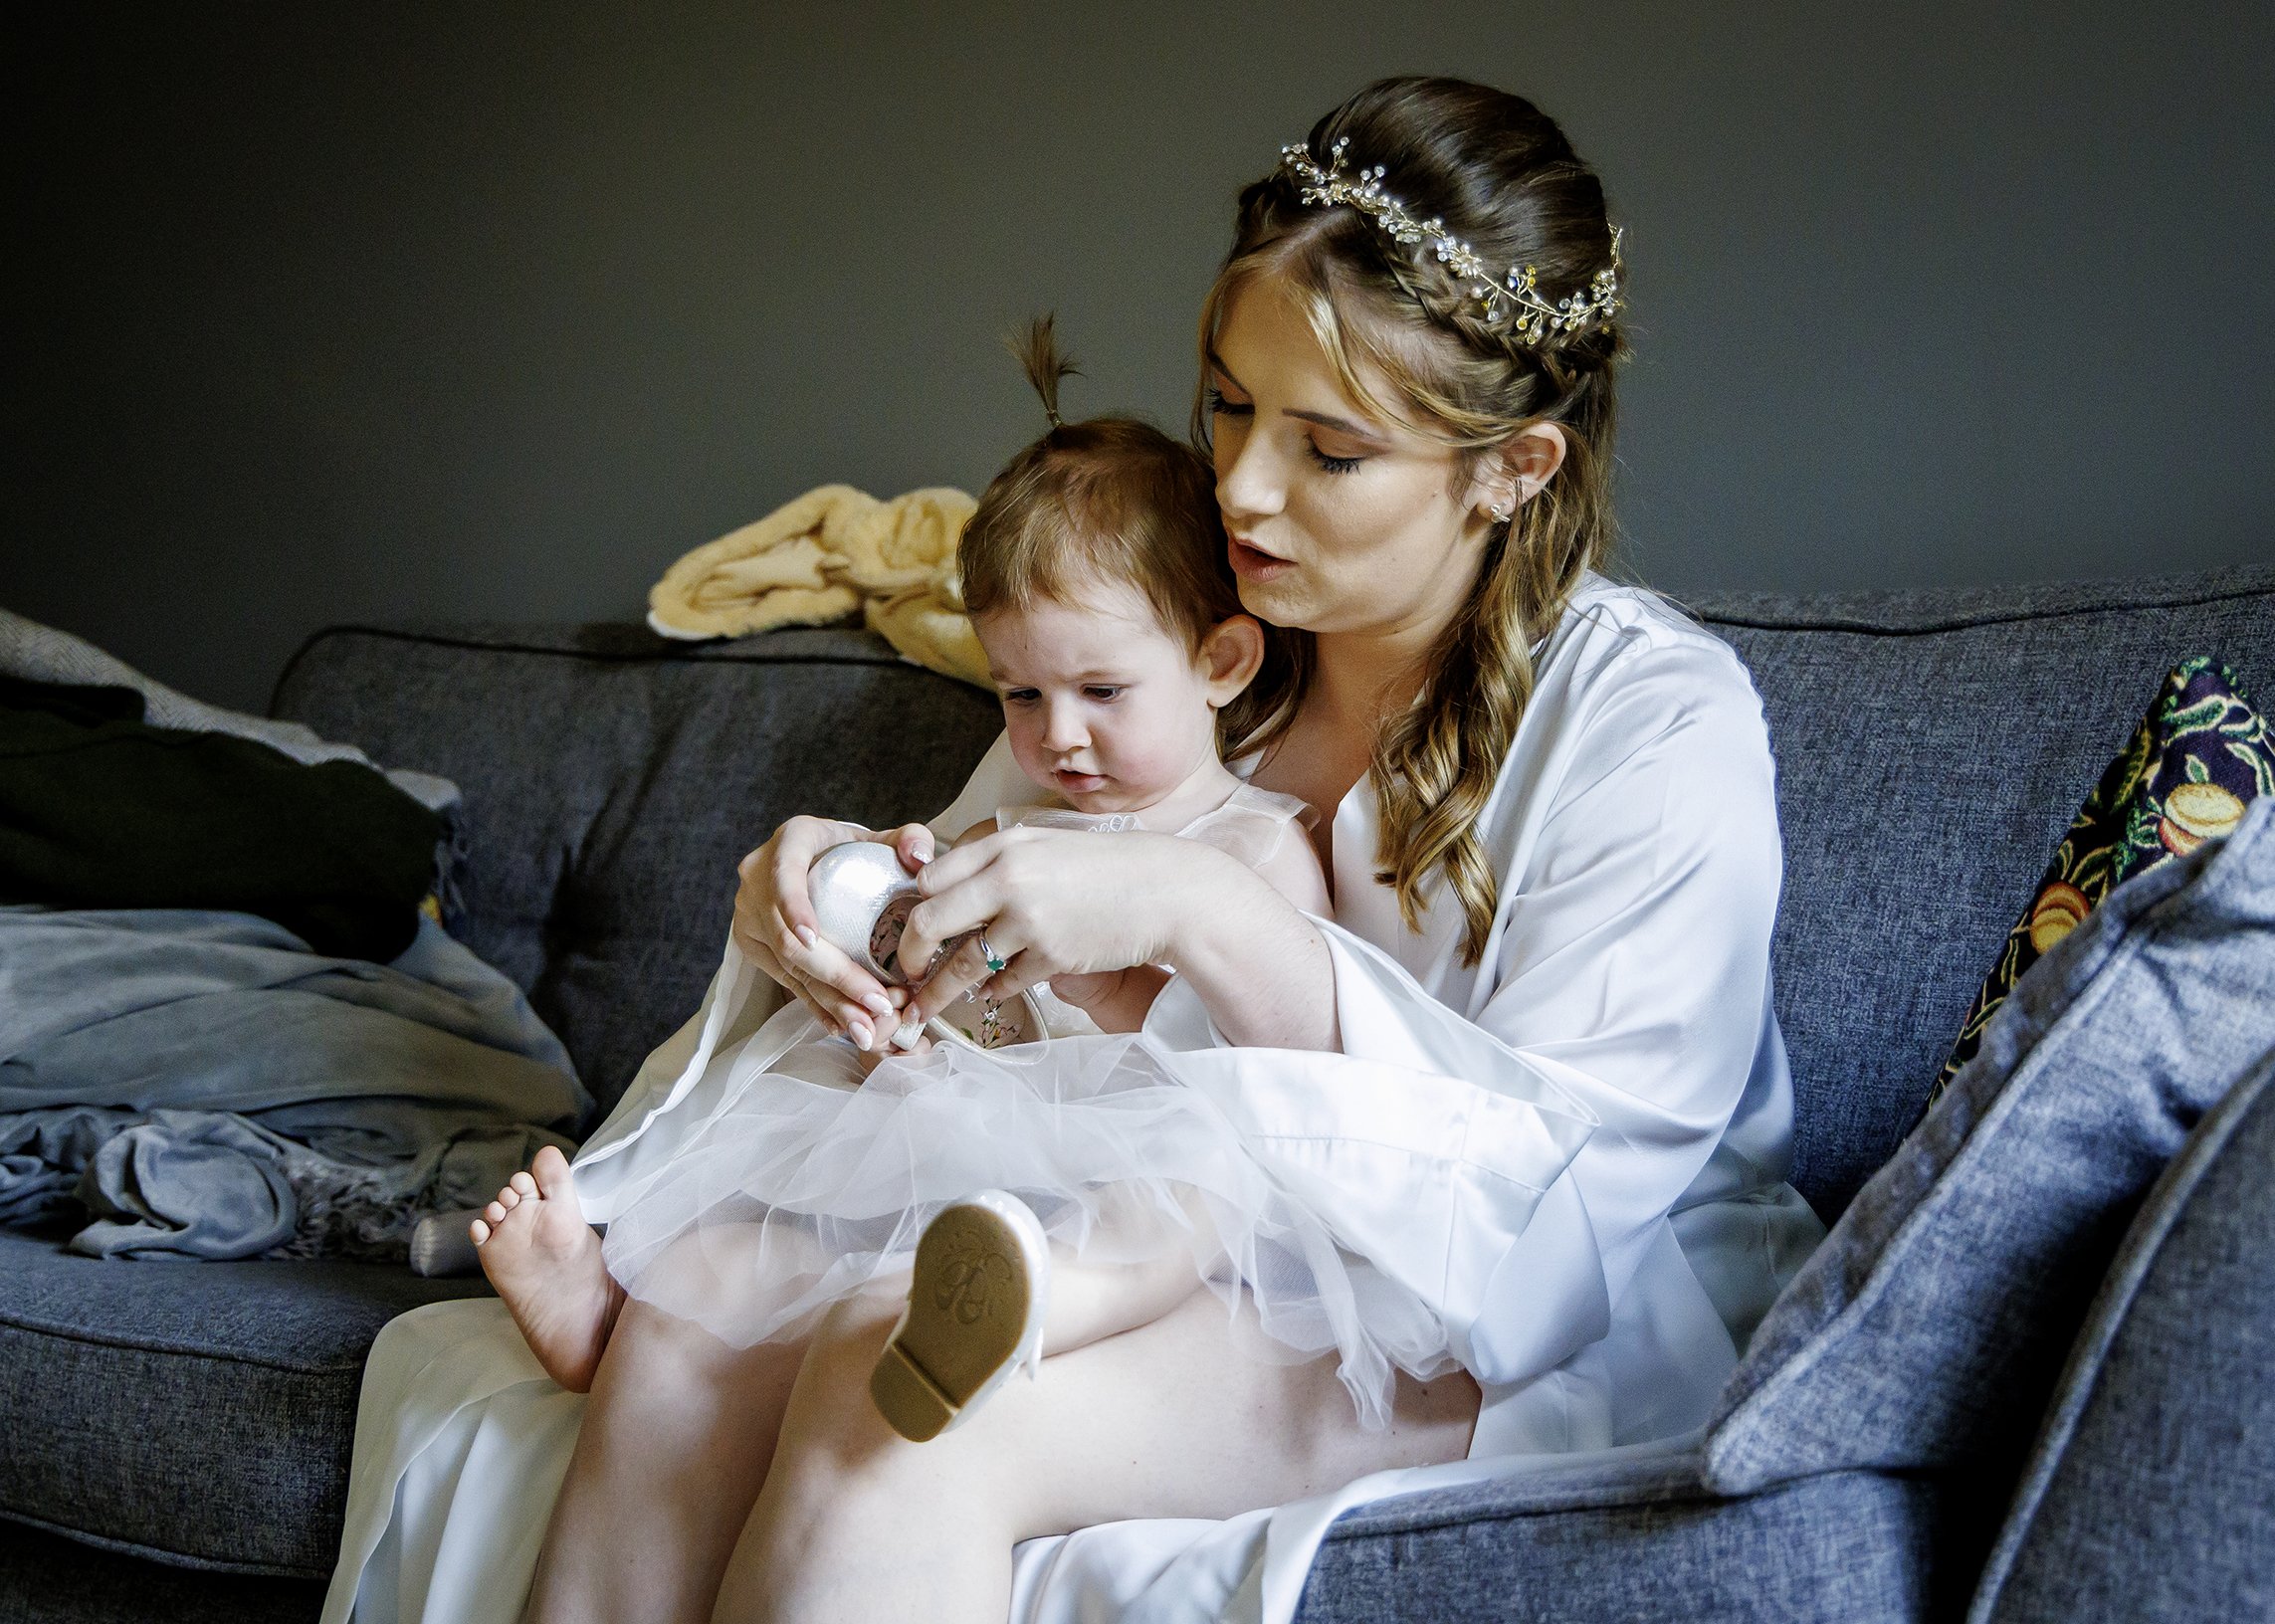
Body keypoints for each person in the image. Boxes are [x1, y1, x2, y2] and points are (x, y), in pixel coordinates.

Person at [320, 75, 1825, 1624]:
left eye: (1329, 450)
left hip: (1503, 1318)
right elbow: (968, 947)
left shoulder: (1650, 728)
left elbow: (1554, 1217)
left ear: (1512, 468)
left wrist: (1200, 914)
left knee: (907, 1410)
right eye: (1228, 403)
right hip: (1156, 1235)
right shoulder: (1180, 647)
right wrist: (821, 906)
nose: (1238, 486)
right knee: (797, 1330)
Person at [468, 322, 1455, 1445]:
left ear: (1221, 663)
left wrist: (1105, 977)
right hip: (982, 1152)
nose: (1060, 736)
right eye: (1021, 697)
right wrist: (894, 985)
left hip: (1147, 1160)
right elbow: (962, 997)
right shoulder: (1006, 822)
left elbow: (1272, 1078)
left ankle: (1032, 1297)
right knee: (808, 1128)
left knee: (1187, 1195)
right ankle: (621, 1307)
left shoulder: (1252, 848)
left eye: (1099, 690)